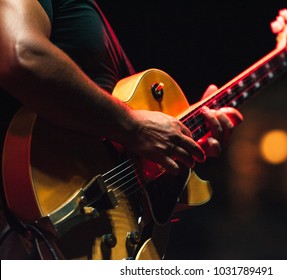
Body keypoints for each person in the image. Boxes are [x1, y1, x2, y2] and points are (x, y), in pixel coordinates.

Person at [0, 0, 243, 259]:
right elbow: (20, 54)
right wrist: (134, 127)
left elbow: (124, 168)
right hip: (24, 221)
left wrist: (181, 150)